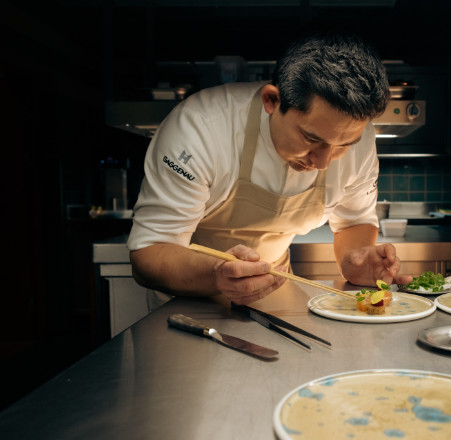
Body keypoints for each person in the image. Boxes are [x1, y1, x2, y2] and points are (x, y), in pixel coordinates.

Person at [127, 33, 412, 305]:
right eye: (311, 139)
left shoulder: (357, 137)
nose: (323, 162)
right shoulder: (199, 128)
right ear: (272, 101)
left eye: (343, 144)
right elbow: (150, 254)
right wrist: (216, 274)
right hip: (186, 303)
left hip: (275, 296)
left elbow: (354, 222)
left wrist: (355, 261)